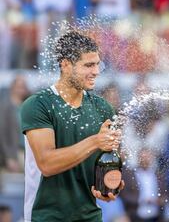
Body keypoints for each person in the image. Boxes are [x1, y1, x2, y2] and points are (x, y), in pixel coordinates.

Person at [20, 31, 125, 222]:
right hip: (44, 216)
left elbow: (107, 160)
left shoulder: (103, 108)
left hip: (90, 215)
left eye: (97, 64)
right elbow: (47, 163)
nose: (96, 71)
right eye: (88, 65)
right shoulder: (38, 104)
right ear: (66, 65)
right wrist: (95, 141)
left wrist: (108, 184)